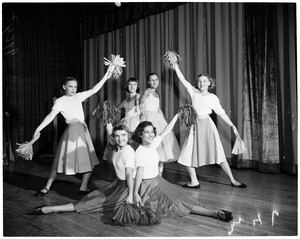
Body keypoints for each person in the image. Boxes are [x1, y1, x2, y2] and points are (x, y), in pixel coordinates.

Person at [131, 115, 234, 222]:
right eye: (147, 132)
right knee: (174, 203)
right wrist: (135, 192)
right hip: (148, 187)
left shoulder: (152, 145)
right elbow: (139, 172)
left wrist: (176, 116)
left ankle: (215, 212)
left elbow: (166, 131)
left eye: (152, 131)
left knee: (181, 197)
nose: (151, 134)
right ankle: (214, 213)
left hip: (158, 181)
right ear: (140, 134)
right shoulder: (139, 152)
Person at [33, 70, 113, 197]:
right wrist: (38, 129)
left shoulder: (78, 97)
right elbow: (50, 116)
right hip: (71, 132)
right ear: (64, 87)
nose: (73, 89)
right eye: (70, 86)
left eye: (75, 86)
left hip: (83, 131)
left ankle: (83, 187)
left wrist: (106, 76)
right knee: (60, 161)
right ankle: (46, 187)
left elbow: (94, 89)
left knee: (90, 161)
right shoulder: (60, 101)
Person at [32, 123, 135, 214]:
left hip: (127, 187)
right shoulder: (117, 148)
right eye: (117, 136)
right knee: (93, 196)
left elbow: (129, 174)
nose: (120, 138)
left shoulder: (128, 152)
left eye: (123, 135)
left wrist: (130, 195)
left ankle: (52, 209)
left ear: (128, 135)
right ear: (113, 137)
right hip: (118, 184)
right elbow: (110, 132)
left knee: (92, 203)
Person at [172, 64, 247, 189]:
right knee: (186, 153)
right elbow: (182, 79)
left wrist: (233, 126)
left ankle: (233, 180)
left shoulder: (213, 98)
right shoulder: (194, 92)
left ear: (209, 83)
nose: (202, 84)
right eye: (200, 81)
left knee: (219, 154)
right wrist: (175, 66)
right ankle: (194, 181)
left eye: (204, 81)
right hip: (194, 127)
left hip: (207, 127)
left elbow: (222, 113)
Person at [140, 73, 180, 174]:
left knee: (161, 144)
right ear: (148, 82)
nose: (154, 82)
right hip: (148, 117)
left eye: (156, 80)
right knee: (152, 142)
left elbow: (159, 110)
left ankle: (160, 170)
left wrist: (166, 121)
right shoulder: (147, 91)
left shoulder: (157, 94)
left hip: (157, 118)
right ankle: (149, 169)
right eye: (152, 80)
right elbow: (141, 104)